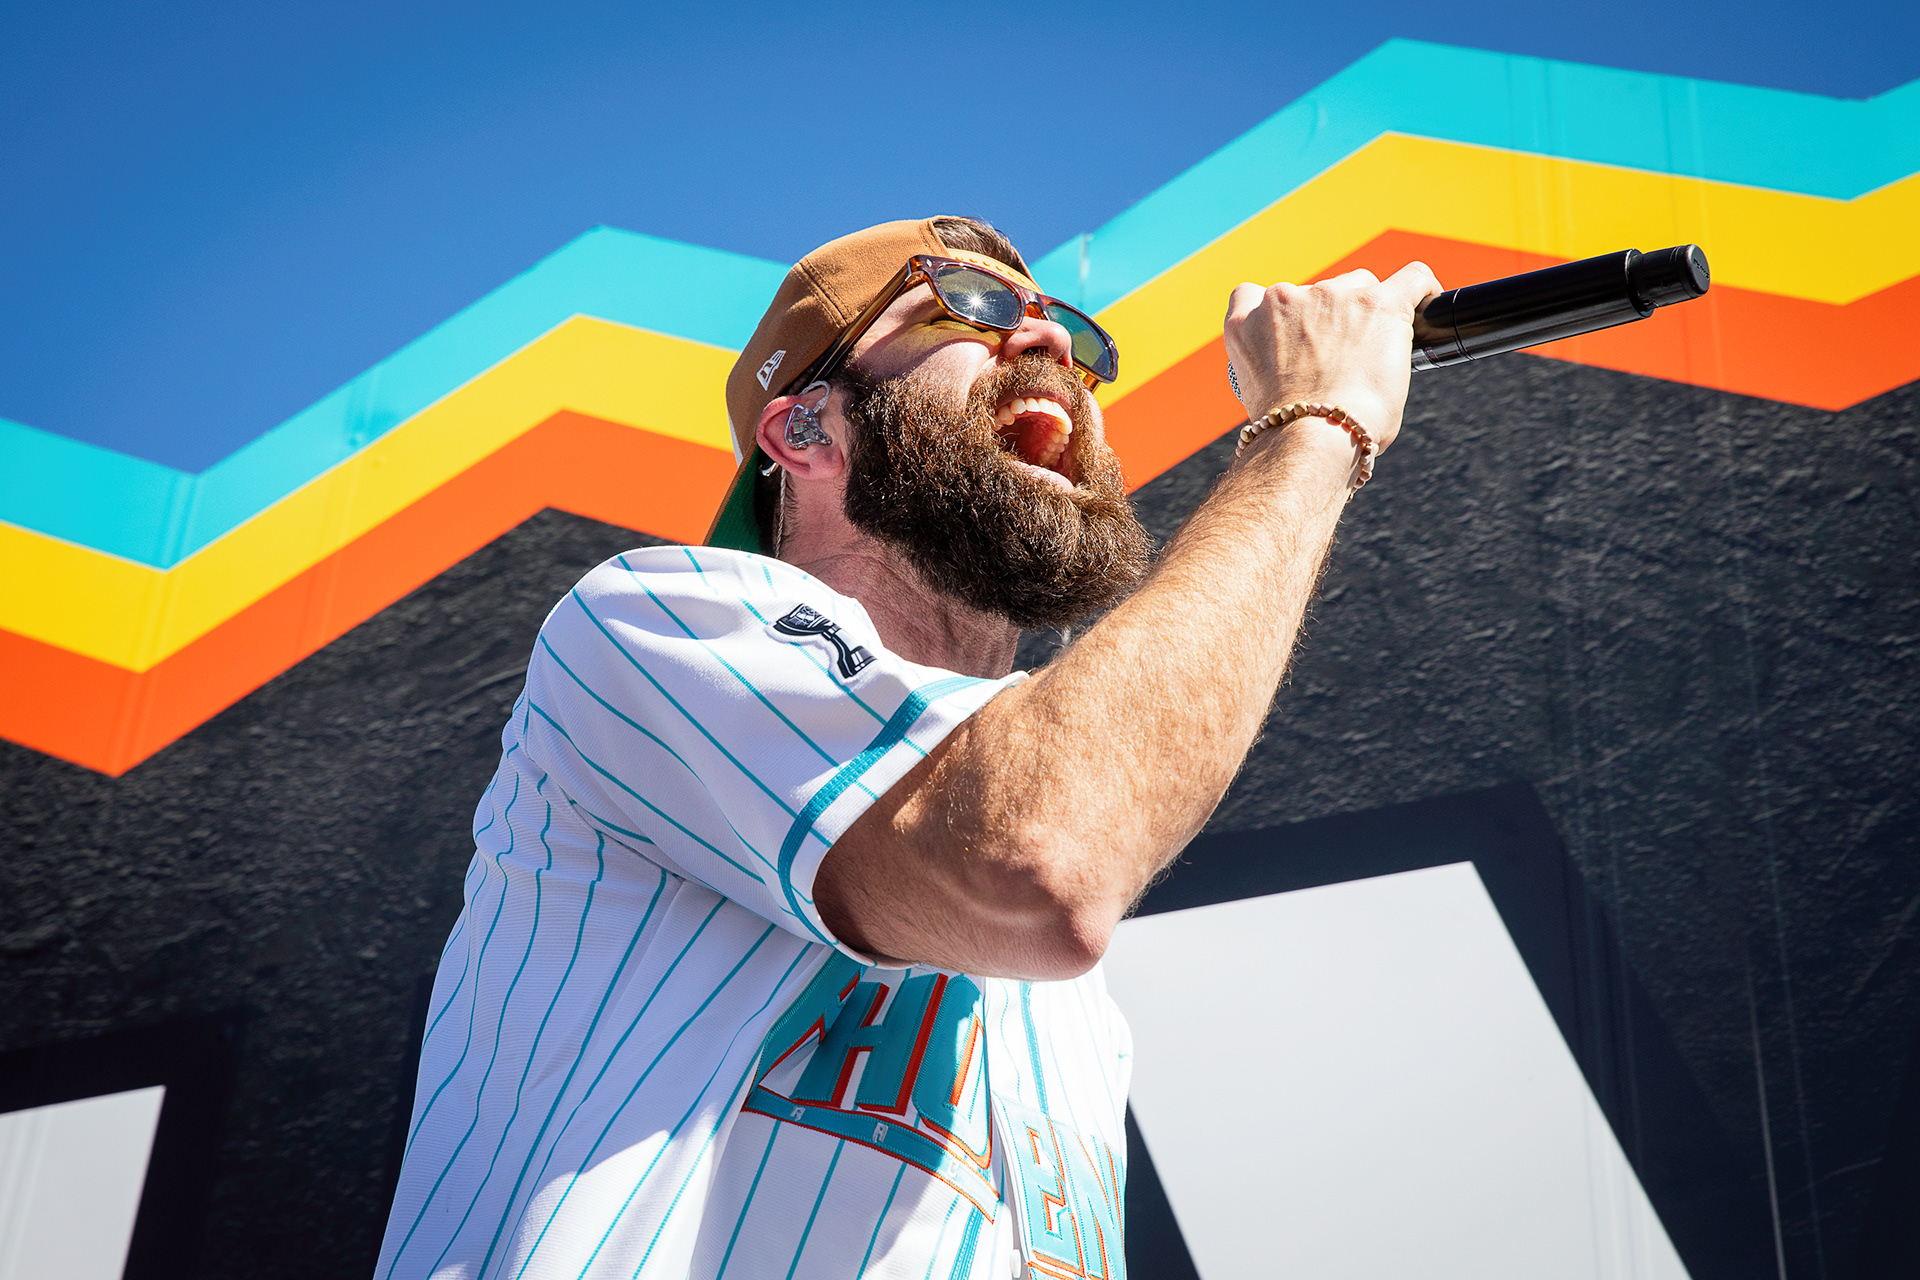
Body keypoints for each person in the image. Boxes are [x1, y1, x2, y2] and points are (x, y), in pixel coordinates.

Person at [374, 215, 1439, 1279]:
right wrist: (1315, 421)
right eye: (969, 304)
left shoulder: (1079, 1010)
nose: (1053, 345)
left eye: (1067, 324)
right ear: (806, 432)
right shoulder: (656, 628)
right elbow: (1040, 852)